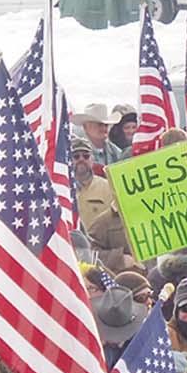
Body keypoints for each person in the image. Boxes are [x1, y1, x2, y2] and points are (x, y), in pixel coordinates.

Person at [71, 137, 132, 271]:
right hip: (70, 253)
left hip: (101, 257)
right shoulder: (61, 189)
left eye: (86, 156)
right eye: (76, 156)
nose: (81, 159)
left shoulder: (108, 187)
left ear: (92, 159)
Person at [72, 103, 126, 167]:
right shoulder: (75, 150)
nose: (104, 128)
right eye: (99, 124)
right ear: (86, 127)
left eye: (106, 125)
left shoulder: (117, 152)